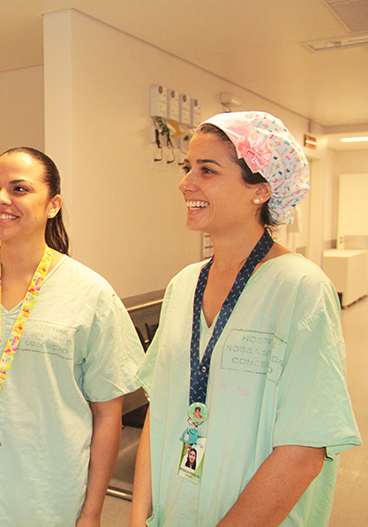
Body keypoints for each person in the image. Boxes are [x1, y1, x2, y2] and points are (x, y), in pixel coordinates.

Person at [129, 112, 362, 526]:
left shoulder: (300, 289)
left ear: (260, 190)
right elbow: (159, 409)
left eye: (207, 170)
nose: (186, 183)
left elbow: (304, 451)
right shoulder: (184, 286)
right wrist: (137, 517)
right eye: (187, 167)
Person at [0, 147, 144, 526]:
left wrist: (91, 512)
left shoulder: (90, 294)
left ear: (53, 205)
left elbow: (108, 414)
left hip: (50, 495)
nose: (1, 199)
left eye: (19, 189)